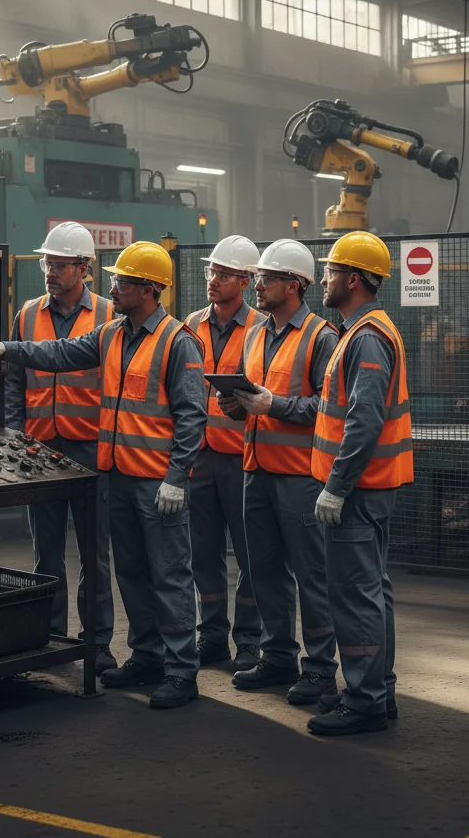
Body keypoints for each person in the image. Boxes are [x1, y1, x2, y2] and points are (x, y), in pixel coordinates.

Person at [0, 241, 207, 710]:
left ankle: (181, 670)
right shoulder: (112, 334)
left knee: (170, 575)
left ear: (150, 289)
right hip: (118, 477)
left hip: (158, 483)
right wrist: (6, 348)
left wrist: (178, 477)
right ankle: (147, 656)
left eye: (123, 281)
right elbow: (57, 353)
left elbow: (193, 417)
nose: (112, 287)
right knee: (133, 573)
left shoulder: (178, 342)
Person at [218, 239, 340, 707]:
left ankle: (321, 669)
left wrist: (275, 405)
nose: (257, 285)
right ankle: (278, 656)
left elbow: (329, 407)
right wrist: (238, 406)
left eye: (266, 279)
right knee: (264, 570)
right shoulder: (254, 334)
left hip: (300, 476)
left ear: (294, 285)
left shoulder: (321, 337)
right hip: (257, 470)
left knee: (311, 575)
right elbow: (257, 400)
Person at [307, 231, 412, 737]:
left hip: (360, 490)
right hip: (371, 488)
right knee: (372, 591)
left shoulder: (367, 336)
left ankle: (365, 699)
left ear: (352, 279)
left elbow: (364, 420)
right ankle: (379, 691)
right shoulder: (361, 330)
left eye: (329, 272)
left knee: (353, 595)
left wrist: (337, 486)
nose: (323, 279)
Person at [4, 220, 117, 674]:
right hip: (39, 450)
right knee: (45, 551)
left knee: (95, 552)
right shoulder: (28, 313)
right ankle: (50, 636)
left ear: (85, 268)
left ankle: (98, 642)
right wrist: (15, 434)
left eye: (60, 264)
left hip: (92, 449)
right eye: (47, 262)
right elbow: (15, 379)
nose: (50, 271)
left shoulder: (109, 316)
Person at [184, 235, 263, 672]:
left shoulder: (260, 329)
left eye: (225, 274)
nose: (213, 280)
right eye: (211, 271)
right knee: (203, 551)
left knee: (251, 554)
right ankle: (211, 636)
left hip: (242, 457)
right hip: (200, 457)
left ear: (247, 281)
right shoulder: (191, 325)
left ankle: (249, 641)